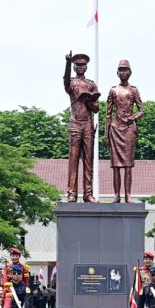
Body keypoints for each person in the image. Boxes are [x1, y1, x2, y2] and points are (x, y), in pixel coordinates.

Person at [105, 59, 144, 203]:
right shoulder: (113, 90)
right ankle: (116, 195)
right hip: (115, 129)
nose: (123, 72)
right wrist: (106, 133)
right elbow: (108, 114)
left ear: (130, 72)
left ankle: (128, 194)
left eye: (125, 70)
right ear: (117, 72)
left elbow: (142, 110)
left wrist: (132, 118)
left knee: (128, 165)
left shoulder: (133, 90)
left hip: (129, 129)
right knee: (116, 165)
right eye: (120, 70)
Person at [63, 51, 100, 203]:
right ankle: (71, 193)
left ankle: (88, 193)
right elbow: (65, 82)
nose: (80, 67)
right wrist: (66, 62)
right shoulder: (71, 82)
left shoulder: (91, 84)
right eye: (77, 65)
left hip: (88, 124)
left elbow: (97, 108)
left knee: (88, 160)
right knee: (73, 160)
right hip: (75, 124)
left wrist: (89, 102)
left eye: (82, 65)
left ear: (86, 67)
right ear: (73, 67)